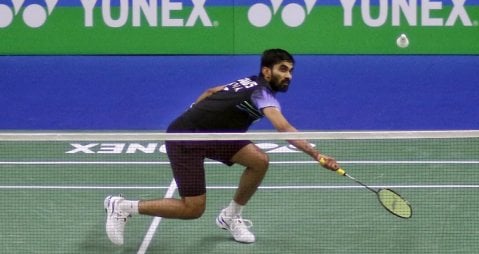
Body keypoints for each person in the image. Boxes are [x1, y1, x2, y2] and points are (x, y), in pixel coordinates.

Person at [104, 48, 340, 245]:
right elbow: (284, 129)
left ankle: (231, 216)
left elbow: (212, 91)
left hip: (216, 134)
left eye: (290, 71)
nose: (288, 76)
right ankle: (123, 207)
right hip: (187, 138)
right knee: (193, 209)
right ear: (267, 72)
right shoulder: (262, 94)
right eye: (283, 69)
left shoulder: (249, 81)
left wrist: (194, 112)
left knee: (259, 161)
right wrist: (316, 154)